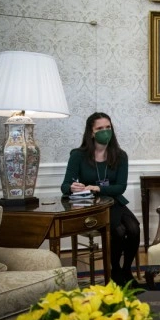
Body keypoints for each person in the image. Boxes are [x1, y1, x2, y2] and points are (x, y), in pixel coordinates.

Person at [61, 112, 140, 287]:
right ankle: (115, 271)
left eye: (108, 127)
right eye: (100, 128)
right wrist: (72, 187)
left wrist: (98, 188)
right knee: (118, 231)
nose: (105, 131)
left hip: (114, 201)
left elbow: (120, 187)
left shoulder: (120, 155)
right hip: (91, 205)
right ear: (91, 132)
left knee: (134, 228)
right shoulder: (78, 155)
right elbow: (64, 186)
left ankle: (127, 270)